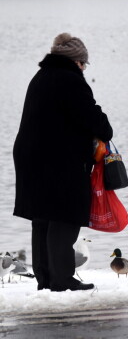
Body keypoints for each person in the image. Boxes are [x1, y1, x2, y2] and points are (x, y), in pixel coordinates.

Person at [13, 32, 113, 291]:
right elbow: (97, 123)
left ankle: (45, 278)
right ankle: (62, 279)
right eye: (84, 64)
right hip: (58, 161)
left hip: (31, 157)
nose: (84, 68)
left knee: (43, 217)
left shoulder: (41, 77)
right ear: (77, 61)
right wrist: (101, 117)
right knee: (64, 217)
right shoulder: (71, 81)